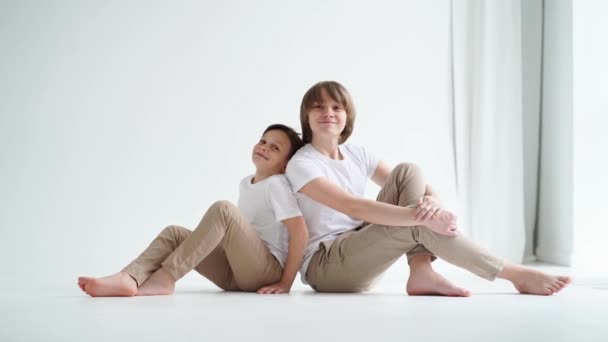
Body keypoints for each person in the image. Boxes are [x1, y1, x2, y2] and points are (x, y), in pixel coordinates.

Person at [285, 81, 571, 296]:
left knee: (408, 171)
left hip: (360, 249)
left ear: (348, 116)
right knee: (416, 219)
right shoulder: (302, 163)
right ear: (306, 116)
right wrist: (420, 218)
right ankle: (514, 274)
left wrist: (434, 205)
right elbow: (353, 206)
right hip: (328, 266)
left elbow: (416, 185)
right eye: (318, 107)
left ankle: (421, 270)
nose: (328, 113)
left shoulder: (357, 153)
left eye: (336, 107)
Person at [78, 124, 308, 296]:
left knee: (223, 209)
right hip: (236, 274)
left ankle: (166, 278)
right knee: (175, 233)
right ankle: (129, 277)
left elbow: (300, 232)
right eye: (263, 141)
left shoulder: (277, 185)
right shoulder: (245, 183)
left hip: (265, 273)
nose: (264, 147)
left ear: (285, 165)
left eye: (274, 148)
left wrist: (285, 283)